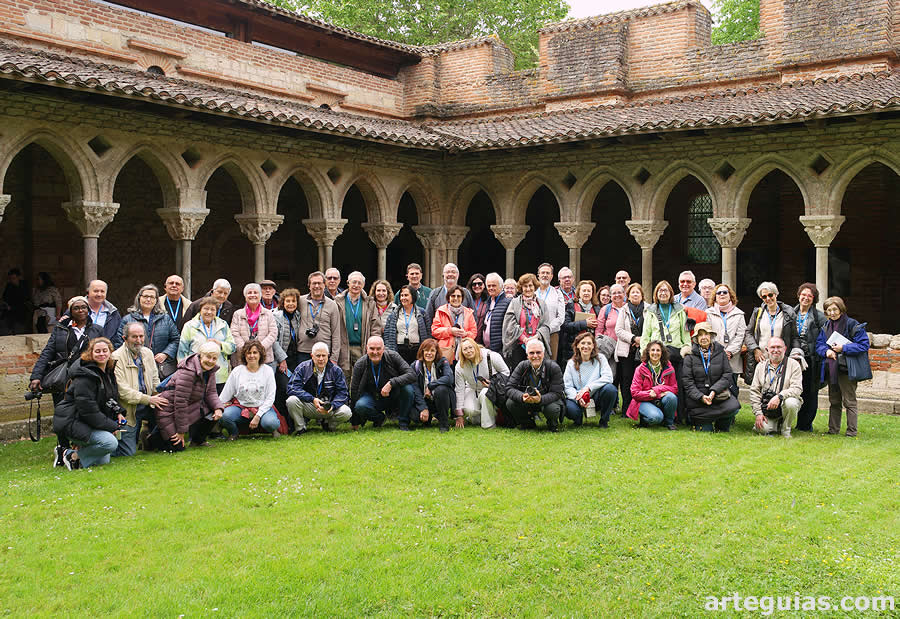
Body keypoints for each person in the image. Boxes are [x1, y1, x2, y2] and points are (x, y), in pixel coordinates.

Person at [51, 337, 125, 469]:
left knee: (103, 460)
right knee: (110, 443)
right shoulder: (85, 376)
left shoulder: (107, 372)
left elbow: (109, 397)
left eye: (104, 351)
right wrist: (112, 426)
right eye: (97, 351)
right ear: (90, 354)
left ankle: (65, 452)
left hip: (86, 421)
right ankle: (71, 456)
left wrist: (118, 411)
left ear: (110, 352)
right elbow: (88, 411)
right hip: (72, 421)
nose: (101, 354)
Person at [30, 296, 103, 405]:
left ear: (88, 310)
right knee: (63, 412)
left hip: (88, 377)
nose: (81, 310)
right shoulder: (60, 329)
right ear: (70, 311)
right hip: (64, 378)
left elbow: (104, 354)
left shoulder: (97, 330)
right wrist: (36, 376)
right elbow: (48, 352)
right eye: (76, 308)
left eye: (84, 307)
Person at [153, 341, 225, 450]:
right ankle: (151, 439)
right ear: (200, 355)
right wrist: (181, 432)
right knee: (176, 448)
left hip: (189, 407)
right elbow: (180, 403)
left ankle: (198, 440)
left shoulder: (210, 371)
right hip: (169, 411)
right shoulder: (188, 372)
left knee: (213, 410)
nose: (211, 361)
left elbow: (211, 393)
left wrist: (218, 408)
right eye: (208, 357)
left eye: (214, 358)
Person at [816, 296, 871, 437]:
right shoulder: (825, 326)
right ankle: (833, 430)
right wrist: (827, 351)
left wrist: (844, 348)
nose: (832, 313)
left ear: (841, 309)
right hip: (832, 369)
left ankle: (851, 431)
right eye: (829, 310)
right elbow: (819, 345)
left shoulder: (853, 324)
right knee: (834, 401)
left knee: (849, 402)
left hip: (847, 370)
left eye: (835, 309)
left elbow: (864, 344)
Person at [111, 322, 166, 456]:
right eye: (134, 337)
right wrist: (149, 399)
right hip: (129, 408)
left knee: (166, 440)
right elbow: (122, 391)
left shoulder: (147, 353)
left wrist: (158, 395)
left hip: (149, 403)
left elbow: (154, 379)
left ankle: (148, 437)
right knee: (127, 453)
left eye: (141, 336)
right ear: (125, 338)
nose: (139, 340)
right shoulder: (116, 358)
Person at [640, 280, 691, 423]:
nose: (663, 293)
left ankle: (678, 417)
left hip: (676, 353)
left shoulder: (680, 310)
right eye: (660, 290)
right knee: (657, 386)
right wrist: (645, 354)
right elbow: (646, 335)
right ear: (656, 294)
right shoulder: (650, 311)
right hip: (657, 354)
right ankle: (659, 415)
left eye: (666, 290)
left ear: (671, 294)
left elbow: (685, 333)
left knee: (677, 386)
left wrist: (686, 349)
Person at [682, 322, 741, 432]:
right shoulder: (689, 356)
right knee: (706, 430)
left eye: (706, 334)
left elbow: (727, 375)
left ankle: (721, 425)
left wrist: (714, 391)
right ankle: (701, 422)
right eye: (700, 335)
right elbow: (687, 382)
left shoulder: (721, 352)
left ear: (711, 336)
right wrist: (701, 397)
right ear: (696, 338)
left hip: (718, 396)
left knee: (734, 407)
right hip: (698, 401)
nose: (703, 337)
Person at [349, 336, 417, 430]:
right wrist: (355, 421)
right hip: (373, 397)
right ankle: (379, 418)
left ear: (383, 348)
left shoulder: (393, 356)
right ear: (366, 348)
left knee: (407, 389)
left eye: (378, 349)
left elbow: (412, 374)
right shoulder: (360, 364)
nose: (375, 352)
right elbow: (354, 391)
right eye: (372, 348)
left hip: (394, 395)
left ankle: (403, 422)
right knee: (360, 405)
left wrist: (391, 383)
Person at [219, 340, 281, 439]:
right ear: (244, 355)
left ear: (260, 354)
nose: (252, 356)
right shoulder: (237, 371)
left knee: (271, 423)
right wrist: (218, 408)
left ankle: (272, 429)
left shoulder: (268, 371)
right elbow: (225, 394)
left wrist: (258, 416)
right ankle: (234, 433)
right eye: (249, 353)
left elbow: (270, 397)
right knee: (225, 416)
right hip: (241, 407)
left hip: (263, 407)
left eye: (255, 352)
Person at [285, 342, 352, 434]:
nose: (321, 359)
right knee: (291, 400)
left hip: (329, 407)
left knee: (346, 412)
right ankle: (300, 428)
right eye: (318, 355)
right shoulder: (302, 367)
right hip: (310, 405)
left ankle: (329, 425)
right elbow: (291, 388)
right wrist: (312, 399)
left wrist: (332, 405)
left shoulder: (336, 370)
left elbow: (343, 393)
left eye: (323, 355)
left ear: (328, 356)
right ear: (312, 356)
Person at [117, 284, 180, 378]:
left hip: (161, 368)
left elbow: (176, 339)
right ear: (139, 298)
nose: (148, 299)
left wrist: (165, 353)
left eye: (152, 297)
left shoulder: (166, 318)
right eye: (145, 296)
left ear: (156, 300)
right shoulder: (127, 319)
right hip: (135, 366)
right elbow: (119, 342)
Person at [505, 339, 565, 432]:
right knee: (510, 403)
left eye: (538, 352)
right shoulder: (522, 366)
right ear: (527, 355)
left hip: (547, 401)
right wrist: (521, 396)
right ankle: (527, 423)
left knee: (552, 409)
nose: (535, 356)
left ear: (543, 353)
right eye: (531, 353)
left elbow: (557, 393)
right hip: (527, 400)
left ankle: (552, 424)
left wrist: (540, 399)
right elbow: (509, 388)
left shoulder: (553, 367)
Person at [745, 282, 802, 379]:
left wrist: (796, 353)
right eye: (764, 296)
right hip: (762, 358)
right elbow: (748, 333)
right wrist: (755, 349)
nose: (768, 298)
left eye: (770, 295)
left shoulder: (788, 313)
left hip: (781, 358)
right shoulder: (757, 313)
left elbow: (795, 336)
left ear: (776, 294)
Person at [178, 296, 236, 389]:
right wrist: (186, 372)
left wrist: (220, 344)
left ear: (216, 311)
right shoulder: (189, 326)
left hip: (219, 374)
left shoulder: (223, 325)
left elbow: (232, 347)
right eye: (206, 308)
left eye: (212, 309)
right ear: (200, 309)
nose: (209, 312)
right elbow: (182, 351)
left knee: (216, 401)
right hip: (195, 374)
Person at [750, 337, 803, 438]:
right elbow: (754, 391)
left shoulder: (794, 365)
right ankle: (775, 424)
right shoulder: (760, 366)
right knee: (761, 429)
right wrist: (758, 413)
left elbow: (797, 388)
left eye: (779, 347)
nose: (776, 350)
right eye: (772, 347)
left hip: (785, 403)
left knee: (791, 403)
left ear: (785, 348)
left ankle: (785, 429)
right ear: (767, 349)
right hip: (768, 408)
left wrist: (780, 396)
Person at [563, 331, 618, 428]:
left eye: (589, 343)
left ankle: (604, 421)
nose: (586, 346)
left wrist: (588, 388)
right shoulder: (571, 363)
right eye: (583, 343)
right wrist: (578, 397)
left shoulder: (601, 359)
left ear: (593, 346)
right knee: (570, 408)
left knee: (610, 389)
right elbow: (567, 386)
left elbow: (608, 377)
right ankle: (578, 419)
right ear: (578, 345)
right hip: (577, 397)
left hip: (595, 395)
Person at [455, 337, 508, 429]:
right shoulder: (460, 366)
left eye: (470, 347)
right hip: (472, 389)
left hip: (491, 390)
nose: (468, 351)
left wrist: (493, 383)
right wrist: (459, 414)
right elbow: (459, 389)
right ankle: (485, 415)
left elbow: (506, 373)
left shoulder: (492, 356)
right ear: (462, 352)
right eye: (465, 349)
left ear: (476, 347)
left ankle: (488, 425)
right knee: (470, 411)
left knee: (484, 393)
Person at [794, 283, 826, 432]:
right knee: (792, 390)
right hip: (793, 359)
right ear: (798, 295)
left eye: (809, 296)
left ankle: (805, 425)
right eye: (803, 294)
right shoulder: (790, 313)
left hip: (811, 360)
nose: (805, 298)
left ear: (814, 299)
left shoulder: (819, 317)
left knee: (810, 393)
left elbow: (824, 338)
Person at [703, 283, 745, 395]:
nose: (722, 294)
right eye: (719, 292)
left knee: (732, 389)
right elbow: (707, 334)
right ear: (715, 296)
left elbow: (740, 336)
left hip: (732, 358)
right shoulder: (708, 313)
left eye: (725, 292)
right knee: (715, 389)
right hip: (713, 357)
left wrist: (730, 352)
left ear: (730, 295)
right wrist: (718, 352)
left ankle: (732, 411)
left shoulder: (739, 314)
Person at [502, 273, 551, 368]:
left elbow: (546, 325)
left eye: (530, 285)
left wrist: (536, 337)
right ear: (521, 288)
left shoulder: (541, 304)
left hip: (537, 346)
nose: (528, 289)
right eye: (525, 286)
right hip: (519, 346)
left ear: (535, 286)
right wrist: (524, 339)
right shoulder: (515, 303)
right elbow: (510, 324)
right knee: (520, 374)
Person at [626, 340, 678, 430]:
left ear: (662, 353)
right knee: (656, 418)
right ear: (648, 352)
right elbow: (634, 392)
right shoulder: (640, 369)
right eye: (652, 350)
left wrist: (657, 391)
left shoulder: (669, 368)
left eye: (658, 350)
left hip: (660, 398)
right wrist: (650, 394)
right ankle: (645, 419)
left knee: (671, 397)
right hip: (642, 401)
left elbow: (674, 388)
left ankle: (669, 423)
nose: (655, 353)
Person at [336, 271, 380, 374]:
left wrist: (373, 346)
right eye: (354, 282)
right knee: (343, 379)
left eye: (359, 283)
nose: (356, 285)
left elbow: (375, 326)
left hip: (362, 347)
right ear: (348, 283)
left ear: (363, 285)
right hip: (343, 348)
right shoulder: (338, 302)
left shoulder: (370, 303)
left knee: (360, 379)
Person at [296, 271, 341, 365]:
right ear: (309, 285)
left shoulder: (332, 305)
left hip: (323, 353)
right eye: (314, 283)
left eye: (319, 283)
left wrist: (334, 358)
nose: (317, 286)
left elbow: (336, 332)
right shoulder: (300, 301)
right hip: (303, 351)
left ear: (324, 285)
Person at [271, 287, 301, 429]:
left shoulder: (298, 316)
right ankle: (284, 423)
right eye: (287, 301)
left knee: (295, 388)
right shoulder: (276, 316)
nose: (290, 304)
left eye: (293, 301)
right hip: (281, 360)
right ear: (282, 302)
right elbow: (274, 340)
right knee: (283, 388)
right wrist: (281, 359)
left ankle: (296, 421)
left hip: (295, 359)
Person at [410, 338, 455, 432]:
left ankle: (444, 423)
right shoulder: (415, 366)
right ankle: (428, 417)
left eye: (432, 350)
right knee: (415, 417)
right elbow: (415, 389)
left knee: (441, 389)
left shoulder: (442, 362)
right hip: (425, 399)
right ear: (422, 352)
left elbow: (449, 378)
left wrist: (430, 386)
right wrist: (423, 408)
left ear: (436, 352)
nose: (429, 353)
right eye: (426, 350)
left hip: (442, 398)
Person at [231, 283, 278, 367]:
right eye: (249, 293)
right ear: (245, 296)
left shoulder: (268, 313)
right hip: (243, 359)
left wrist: (259, 349)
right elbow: (234, 334)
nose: (252, 295)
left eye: (255, 293)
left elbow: (273, 333)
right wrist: (246, 350)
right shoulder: (237, 314)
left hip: (265, 359)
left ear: (260, 296)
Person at [615, 283, 645, 415]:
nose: (635, 294)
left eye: (638, 292)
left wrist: (642, 340)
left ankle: (639, 409)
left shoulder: (649, 309)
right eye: (633, 292)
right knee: (627, 380)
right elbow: (619, 330)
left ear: (642, 295)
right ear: (628, 295)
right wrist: (633, 338)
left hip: (643, 350)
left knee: (641, 381)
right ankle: (626, 409)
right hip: (627, 351)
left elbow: (652, 328)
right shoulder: (624, 309)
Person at [382, 285, 428, 364]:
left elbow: (428, 332)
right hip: (399, 350)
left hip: (417, 350)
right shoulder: (393, 314)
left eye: (406, 295)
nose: (403, 298)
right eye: (401, 296)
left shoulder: (422, 313)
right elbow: (387, 335)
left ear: (413, 296)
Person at [431, 284, 477, 362]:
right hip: (446, 352)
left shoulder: (468, 312)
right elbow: (435, 331)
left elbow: (474, 333)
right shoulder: (441, 311)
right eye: (453, 296)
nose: (456, 298)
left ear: (462, 298)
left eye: (458, 296)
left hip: (464, 352)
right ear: (448, 298)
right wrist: (450, 331)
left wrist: (465, 334)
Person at [424, 263, 475, 331]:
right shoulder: (435, 293)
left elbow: (473, 317)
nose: (450, 274)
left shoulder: (466, 293)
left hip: (463, 338)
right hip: (441, 339)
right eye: (447, 272)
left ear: (458, 275)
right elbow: (428, 317)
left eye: (453, 272)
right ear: (443, 275)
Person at [598, 283, 626, 401]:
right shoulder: (606, 309)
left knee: (625, 377)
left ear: (624, 294)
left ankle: (626, 404)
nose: (617, 295)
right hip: (609, 348)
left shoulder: (628, 307)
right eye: (614, 293)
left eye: (619, 292)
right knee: (611, 375)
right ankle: (611, 403)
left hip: (625, 348)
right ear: (610, 296)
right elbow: (599, 330)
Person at [561, 279, 600, 363]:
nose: (586, 293)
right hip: (573, 346)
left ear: (592, 293)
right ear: (579, 292)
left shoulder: (597, 308)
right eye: (584, 290)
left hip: (590, 347)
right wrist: (585, 323)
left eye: (589, 291)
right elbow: (565, 325)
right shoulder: (571, 305)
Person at [536, 263, 566, 360]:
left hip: (552, 334)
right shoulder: (533, 293)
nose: (545, 275)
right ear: (538, 275)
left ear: (552, 276)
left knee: (550, 364)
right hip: (534, 334)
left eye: (548, 273)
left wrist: (546, 330)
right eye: (542, 273)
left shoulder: (558, 293)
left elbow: (561, 318)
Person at [84, 279, 123, 348]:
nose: (99, 294)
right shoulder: (76, 309)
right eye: (96, 291)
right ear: (88, 292)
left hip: (105, 354)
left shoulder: (113, 313)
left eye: (102, 291)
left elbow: (118, 338)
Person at [481, 273, 511, 356]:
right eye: (489, 286)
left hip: (500, 351)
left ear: (501, 287)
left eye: (494, 285)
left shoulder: (508, 302)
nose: (491, 288)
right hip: (487, 349)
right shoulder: (488, 302)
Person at [1, 267, 27, 334]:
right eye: (10, 278)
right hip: (8, 314)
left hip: (20, 315)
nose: (12, 280)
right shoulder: (9, 286)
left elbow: (25, 301)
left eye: (14, 278)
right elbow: (4, 297)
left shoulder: (24, 286)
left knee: (19, 334)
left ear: (18, 277)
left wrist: (13, 307)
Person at [467, 273, 489, 344]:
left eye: (479, 284)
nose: (477, 286)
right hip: (468, 337)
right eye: (474, 284)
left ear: (484, 285)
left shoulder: (489, 300)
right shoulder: (466, 299)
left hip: (482, 338)